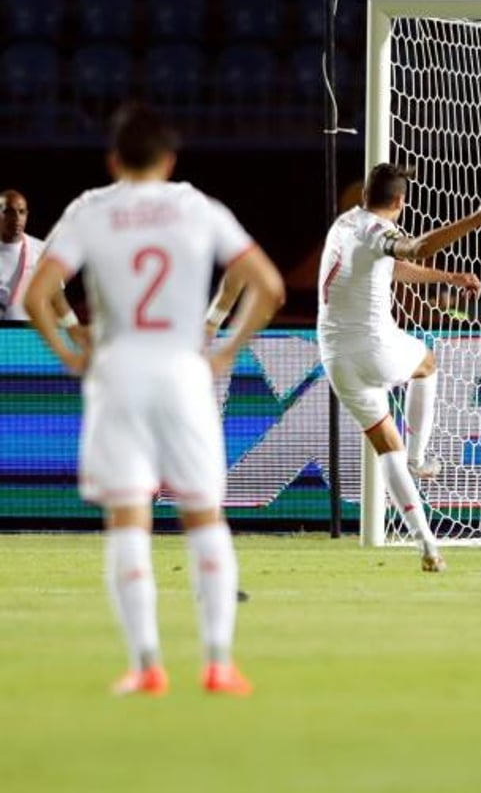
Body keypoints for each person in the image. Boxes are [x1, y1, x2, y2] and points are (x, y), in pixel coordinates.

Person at [22, 104, 285, 696]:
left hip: (118, 372)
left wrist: (69, 355)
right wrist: (225, 352)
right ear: (169, 160)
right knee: (203, 515)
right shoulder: (197, 207)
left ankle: (146, 667)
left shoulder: (91, 210)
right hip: (181, 370)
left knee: (128, 520)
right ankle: (219, 663)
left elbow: (42, 292)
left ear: (114, 160)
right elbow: (266, 286)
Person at [318, 162, 481, 572]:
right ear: (400, 201)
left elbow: (392, 265)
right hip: (374, 346)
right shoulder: (380, 232)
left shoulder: (345, 225)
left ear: (365, 194)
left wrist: (447, 277)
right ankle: (420, 457)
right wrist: (478, 218)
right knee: (427, 362)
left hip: (335, 356)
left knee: (387, 448)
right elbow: (413, 248)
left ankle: (428, 546)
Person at [1, 190, 87, 346]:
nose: (16, 218)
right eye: (8, 212)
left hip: (32, 339)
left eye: (21, 212)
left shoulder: (42, 251)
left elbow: (58, 300)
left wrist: (74, 330)